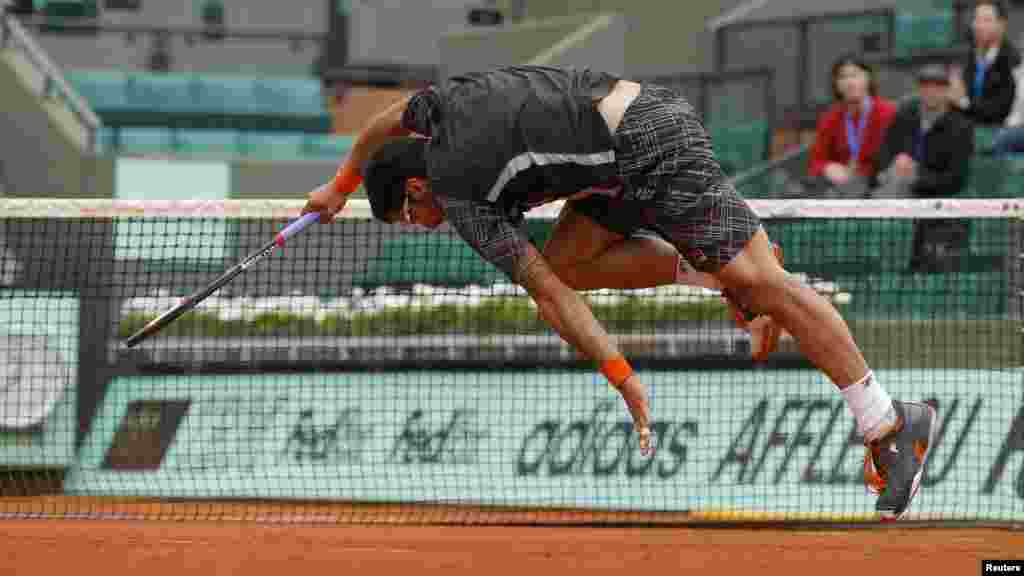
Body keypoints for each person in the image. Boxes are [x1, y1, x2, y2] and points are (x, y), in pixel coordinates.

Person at [302, 65, 938, 520]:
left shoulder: (460, 195)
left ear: (417, 191)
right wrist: (340, 181)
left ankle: (887, 421)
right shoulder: (435, 112)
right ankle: (715, 271)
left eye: (412, 218)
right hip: (607, 159)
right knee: (573, 258)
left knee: (764, 287)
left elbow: (546, 296)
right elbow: (387, 118)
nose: (423, 227)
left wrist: (620, 374)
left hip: (641, 140)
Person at [874, 64, 975, 271]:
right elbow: (884, 153)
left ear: (947, 90)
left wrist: (916, 176)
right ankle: (882, 262)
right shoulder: (904, 117)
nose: (931, 91)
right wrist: (893, 165)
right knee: (891, 184)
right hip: (894, 188)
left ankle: (892, 263)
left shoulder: (961, 126)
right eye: (925, 85)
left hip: (932, 197)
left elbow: (956, 179)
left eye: (938, 85)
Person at [806, 55, 897, 198]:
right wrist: (828, 167)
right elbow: (816, 161)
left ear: (869, 78)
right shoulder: (831, 117)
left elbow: (896, 157)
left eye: (855, 75)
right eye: (842, 77)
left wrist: (862, 171)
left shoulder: (888, 112)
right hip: (842, 184)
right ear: (836, 84)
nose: (849, 82)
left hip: (879, 183)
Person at [948, 0, 1020, 127]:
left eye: (986, 20)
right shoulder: (969, 56)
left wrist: (962, 101)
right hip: (964, 129)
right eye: (976, 20)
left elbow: (998, 113)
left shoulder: (1012, 61)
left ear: (1001, 25)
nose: (979, 26)